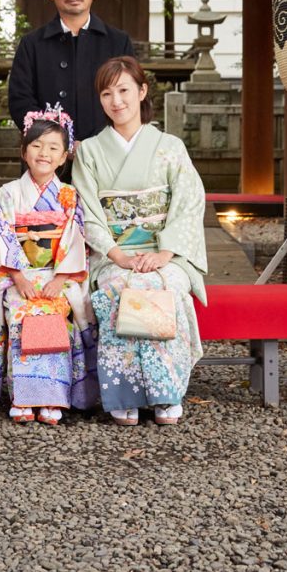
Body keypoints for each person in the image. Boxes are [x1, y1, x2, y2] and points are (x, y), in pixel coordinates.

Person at [72, 57, 207, 427]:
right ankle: (124, 392)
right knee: (121, 287)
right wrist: (118, 255)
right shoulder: (89, 151)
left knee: (163, 286)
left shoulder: (170, 146)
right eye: (107, 93)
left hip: (166, 253)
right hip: (113, 254)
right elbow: (87, 209)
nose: (116, 100)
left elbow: (189, 201)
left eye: (124, 90)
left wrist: (165, 253)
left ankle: (166, 391)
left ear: (142, 91)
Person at [0, 106, 98, 425]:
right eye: (37, 145)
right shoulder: (8, 194)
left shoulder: (69, 195)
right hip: (19, 275)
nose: (45, 153)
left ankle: (54, 397)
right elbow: (0, 236)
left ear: (64, 156)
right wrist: (17, 276)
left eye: (54, 147)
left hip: (57, 274)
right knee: (20, 313)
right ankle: (23, 396)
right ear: (24, 152)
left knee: (59, 312)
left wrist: (61, 277)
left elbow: (74, 239)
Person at [8, 0, 134, 155]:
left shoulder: (118, 42)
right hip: (47, 160)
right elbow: (20, 102)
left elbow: (129, 100)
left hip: (106, 156)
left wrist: (94, 147)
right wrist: (59, 144)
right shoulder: (31, 45)